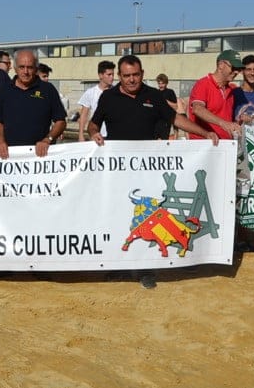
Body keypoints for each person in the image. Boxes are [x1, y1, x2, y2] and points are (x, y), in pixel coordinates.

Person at [87, 55, 217, 287]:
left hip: (148, 172)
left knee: (149, 220)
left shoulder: (154, 96)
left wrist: (204, 133)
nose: (131, 80)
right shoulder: (108, 97)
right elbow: (93, 122)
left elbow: (176, 119)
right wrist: (94, 132)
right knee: (118, 216)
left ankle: (146, 268)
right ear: (119, 76)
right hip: (117, 171)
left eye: (135, 75)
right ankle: (118, 266)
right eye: (126, 76)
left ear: (142, 74)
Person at [0, 50, 67, 159]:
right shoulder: (5, 89)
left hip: (40, 157)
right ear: (15, 68)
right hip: (10, 156)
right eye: (21, 67)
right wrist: (0, 140)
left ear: (36, 68)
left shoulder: (48, 89)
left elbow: (61, 121)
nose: (26, 71)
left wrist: (48, 139)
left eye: (30, 67)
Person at [187, 50, 243, 140]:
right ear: (221, 65)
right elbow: (197, 109)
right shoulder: (203, 84)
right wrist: (223, 123)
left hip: (225, 144)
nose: (236, 72)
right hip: (205, 144)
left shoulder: (231, 89)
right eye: (233, 67)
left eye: (239, 69)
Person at [77, 60, 115, 142]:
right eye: (109, 74)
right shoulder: (90, 92)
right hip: (96, 136)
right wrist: (81, 135)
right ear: (101, 75)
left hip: (113, 135)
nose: (112, 77)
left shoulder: (116, 92)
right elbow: (83, 115)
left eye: (113, 74)